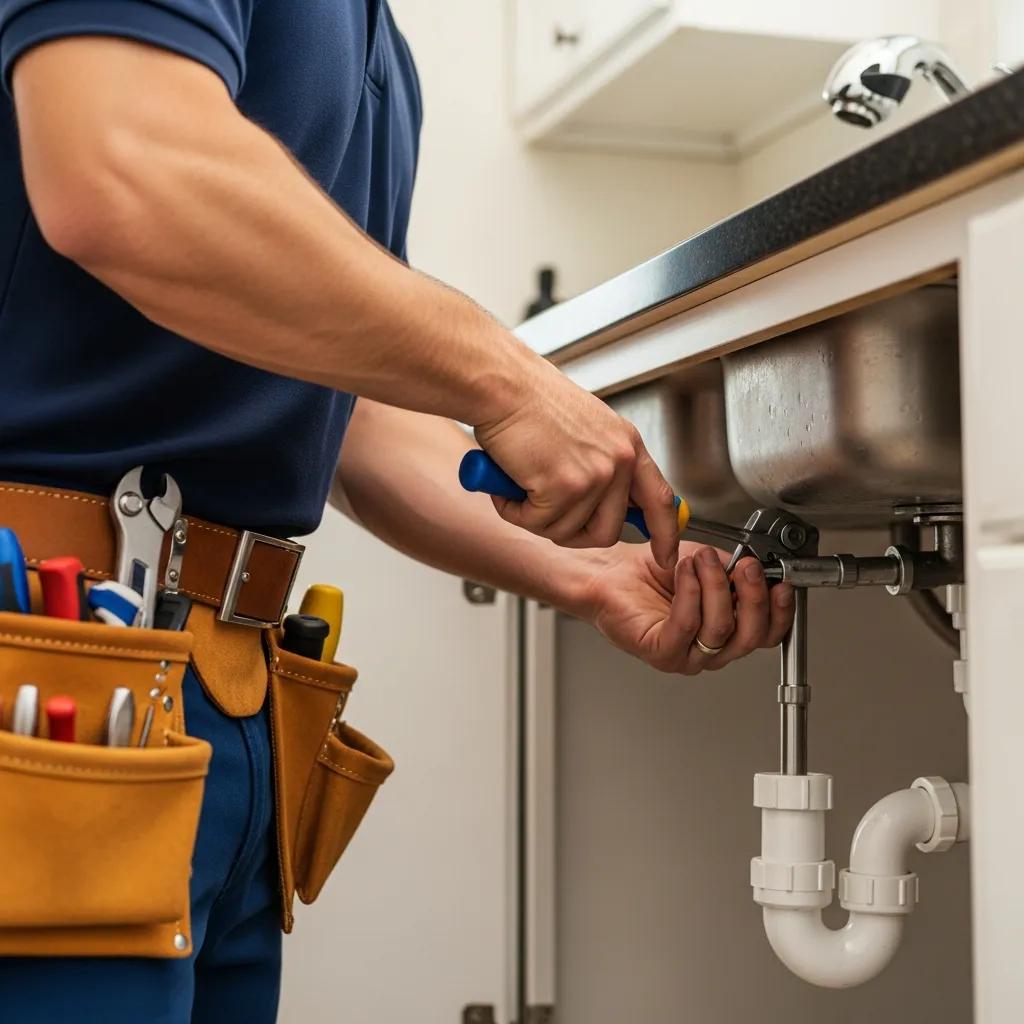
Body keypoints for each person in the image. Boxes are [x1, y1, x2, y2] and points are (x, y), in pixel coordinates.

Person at [0, 2, 794, 1021]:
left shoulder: (374, 48)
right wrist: (503, 377)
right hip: (54, 668)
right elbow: (122, 165)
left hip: (218, 697)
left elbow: (343, 404)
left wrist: (583, 574)